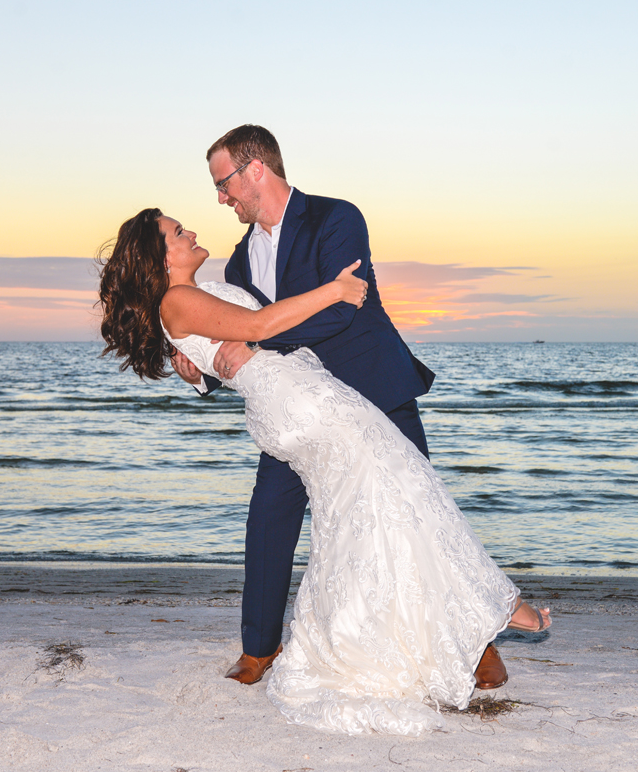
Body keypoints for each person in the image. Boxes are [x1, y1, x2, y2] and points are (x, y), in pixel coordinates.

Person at [97, 208, 551, 735]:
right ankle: (492, 605)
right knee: (404, 485)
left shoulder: (198, 292)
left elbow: (227, 341)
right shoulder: (177, 299)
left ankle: (391, 630)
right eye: (178, 233)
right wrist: (335, 290)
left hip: (296, 399)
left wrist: (195, 367)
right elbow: (259, 326)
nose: (194, 229)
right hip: (305, 404)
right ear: (160, 257)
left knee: (362, 514)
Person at [169, 124, 510, 690]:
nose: (221, 197)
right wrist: (201, 370)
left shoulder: (336, 218)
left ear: (257, 169)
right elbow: (228, 337)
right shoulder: (236, 264)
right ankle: (259, 649)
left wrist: (254, 341)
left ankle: (476, 646)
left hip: (375, 388)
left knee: (419, 510)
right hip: (302, 412)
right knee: (268, 518)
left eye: (224, 182)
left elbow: (340, 311)